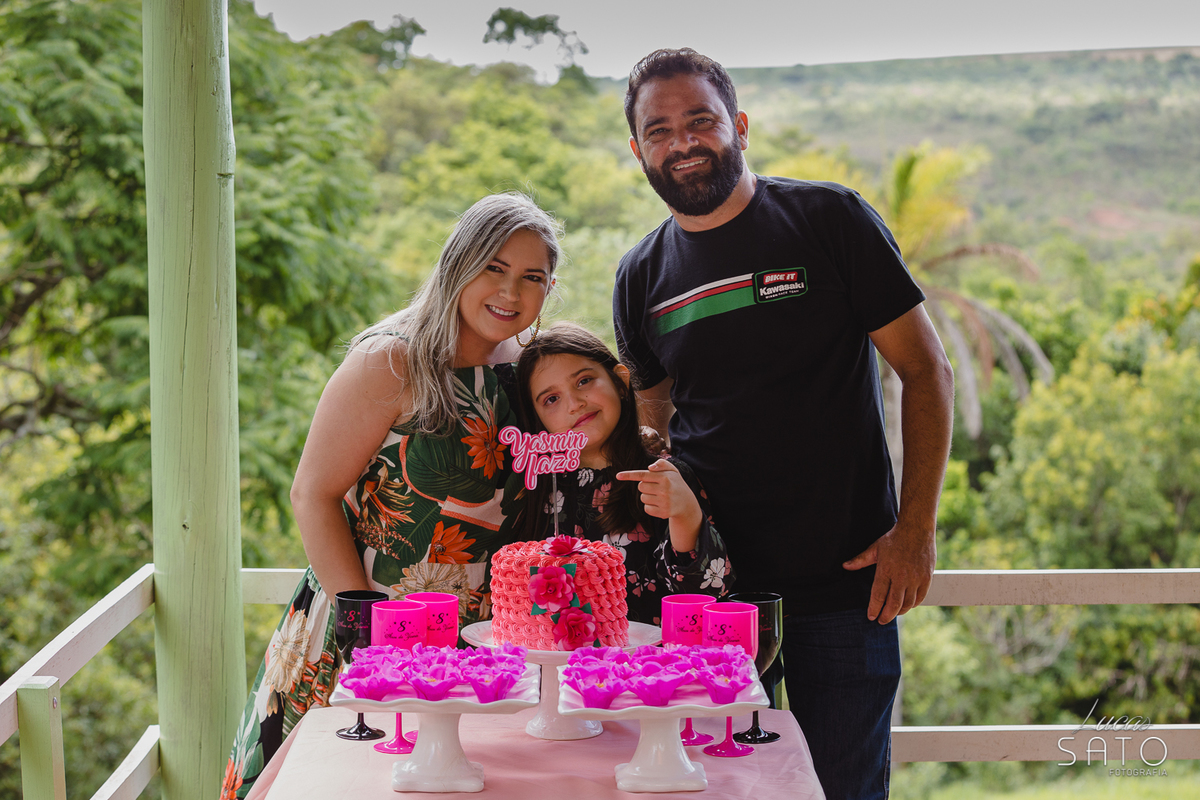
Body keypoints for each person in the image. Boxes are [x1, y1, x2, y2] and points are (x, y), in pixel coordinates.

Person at [613, 48, 954, 800]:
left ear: (737, 125)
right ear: (637, 149)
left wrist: (916, 531)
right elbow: (654, 414)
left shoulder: (828, 219)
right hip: (712, 598)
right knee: (716, 791)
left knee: (844, 790)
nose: (683, 142)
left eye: (700, 121)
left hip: (847, 588)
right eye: (659, 130)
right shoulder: (640, 277)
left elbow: (927, 371)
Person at [221, 193, 562, 799]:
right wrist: (363, 623)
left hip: (484, 640)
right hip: (371, 622)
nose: (511, 292)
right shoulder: (391, 361)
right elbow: (313, 494)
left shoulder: (531, 369)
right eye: (494, 268)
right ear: (458, 265)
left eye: (532, 277)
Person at [501, 322, 731, 624]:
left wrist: (685, 515)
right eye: (551, 399)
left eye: (583, 381)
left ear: (620, 382)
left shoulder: (663, 477)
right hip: (550, 666)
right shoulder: (534, 487)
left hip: (644, 665)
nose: (574, 403)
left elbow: (709, 595)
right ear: (537, 419)